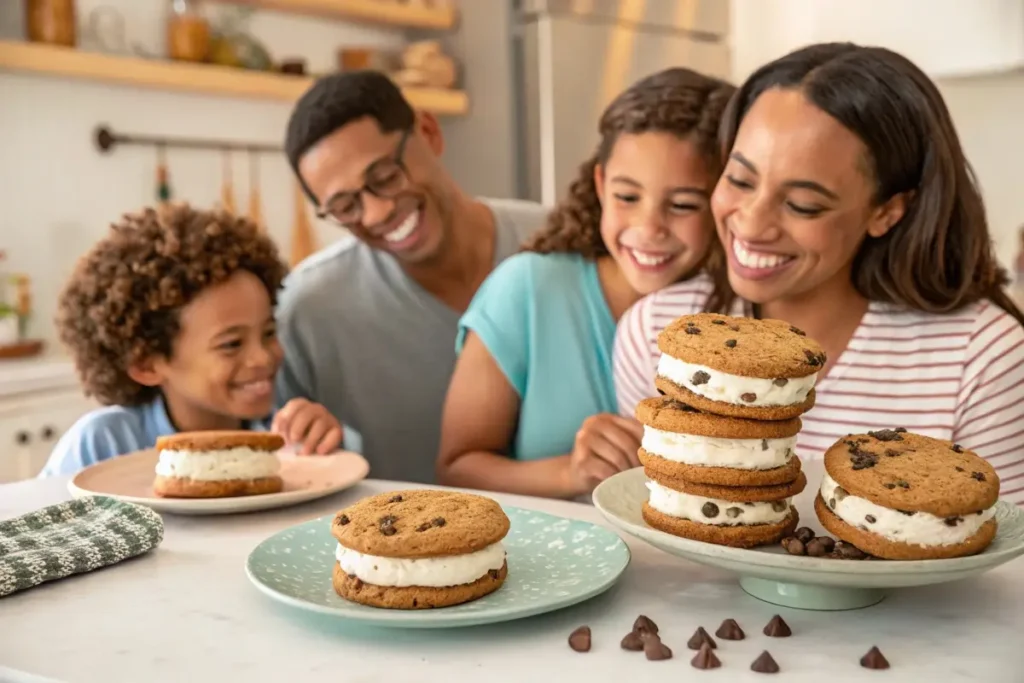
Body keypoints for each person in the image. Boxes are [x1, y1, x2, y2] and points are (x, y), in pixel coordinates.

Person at [613, 43, 1024, 505]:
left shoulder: (982, 359)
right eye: (740, 180)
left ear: (887, 211)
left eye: (802, 205)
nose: (750, 223)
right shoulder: (657, 334)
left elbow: (1007, 563)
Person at [436, 68, 736, 498]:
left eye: (683, 204)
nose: (649, 228)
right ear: (600, 184)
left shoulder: (745, 315)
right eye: (627, 197)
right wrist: (570, 474)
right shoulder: (527, 290)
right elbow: (456, 469)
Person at [276, 71, 547, 484]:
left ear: (428, 131)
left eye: (385, 176)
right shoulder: (310, 309)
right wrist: (303, 438)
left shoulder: (559, 243)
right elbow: (283, 466)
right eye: (346, 206)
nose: (376, 213)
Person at [41, 203, 342, 477]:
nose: (262, 357)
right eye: (231, 344)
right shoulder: (101, 444)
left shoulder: (288, 438)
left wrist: (322, 444)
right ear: (146, 364)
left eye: (267, 333)